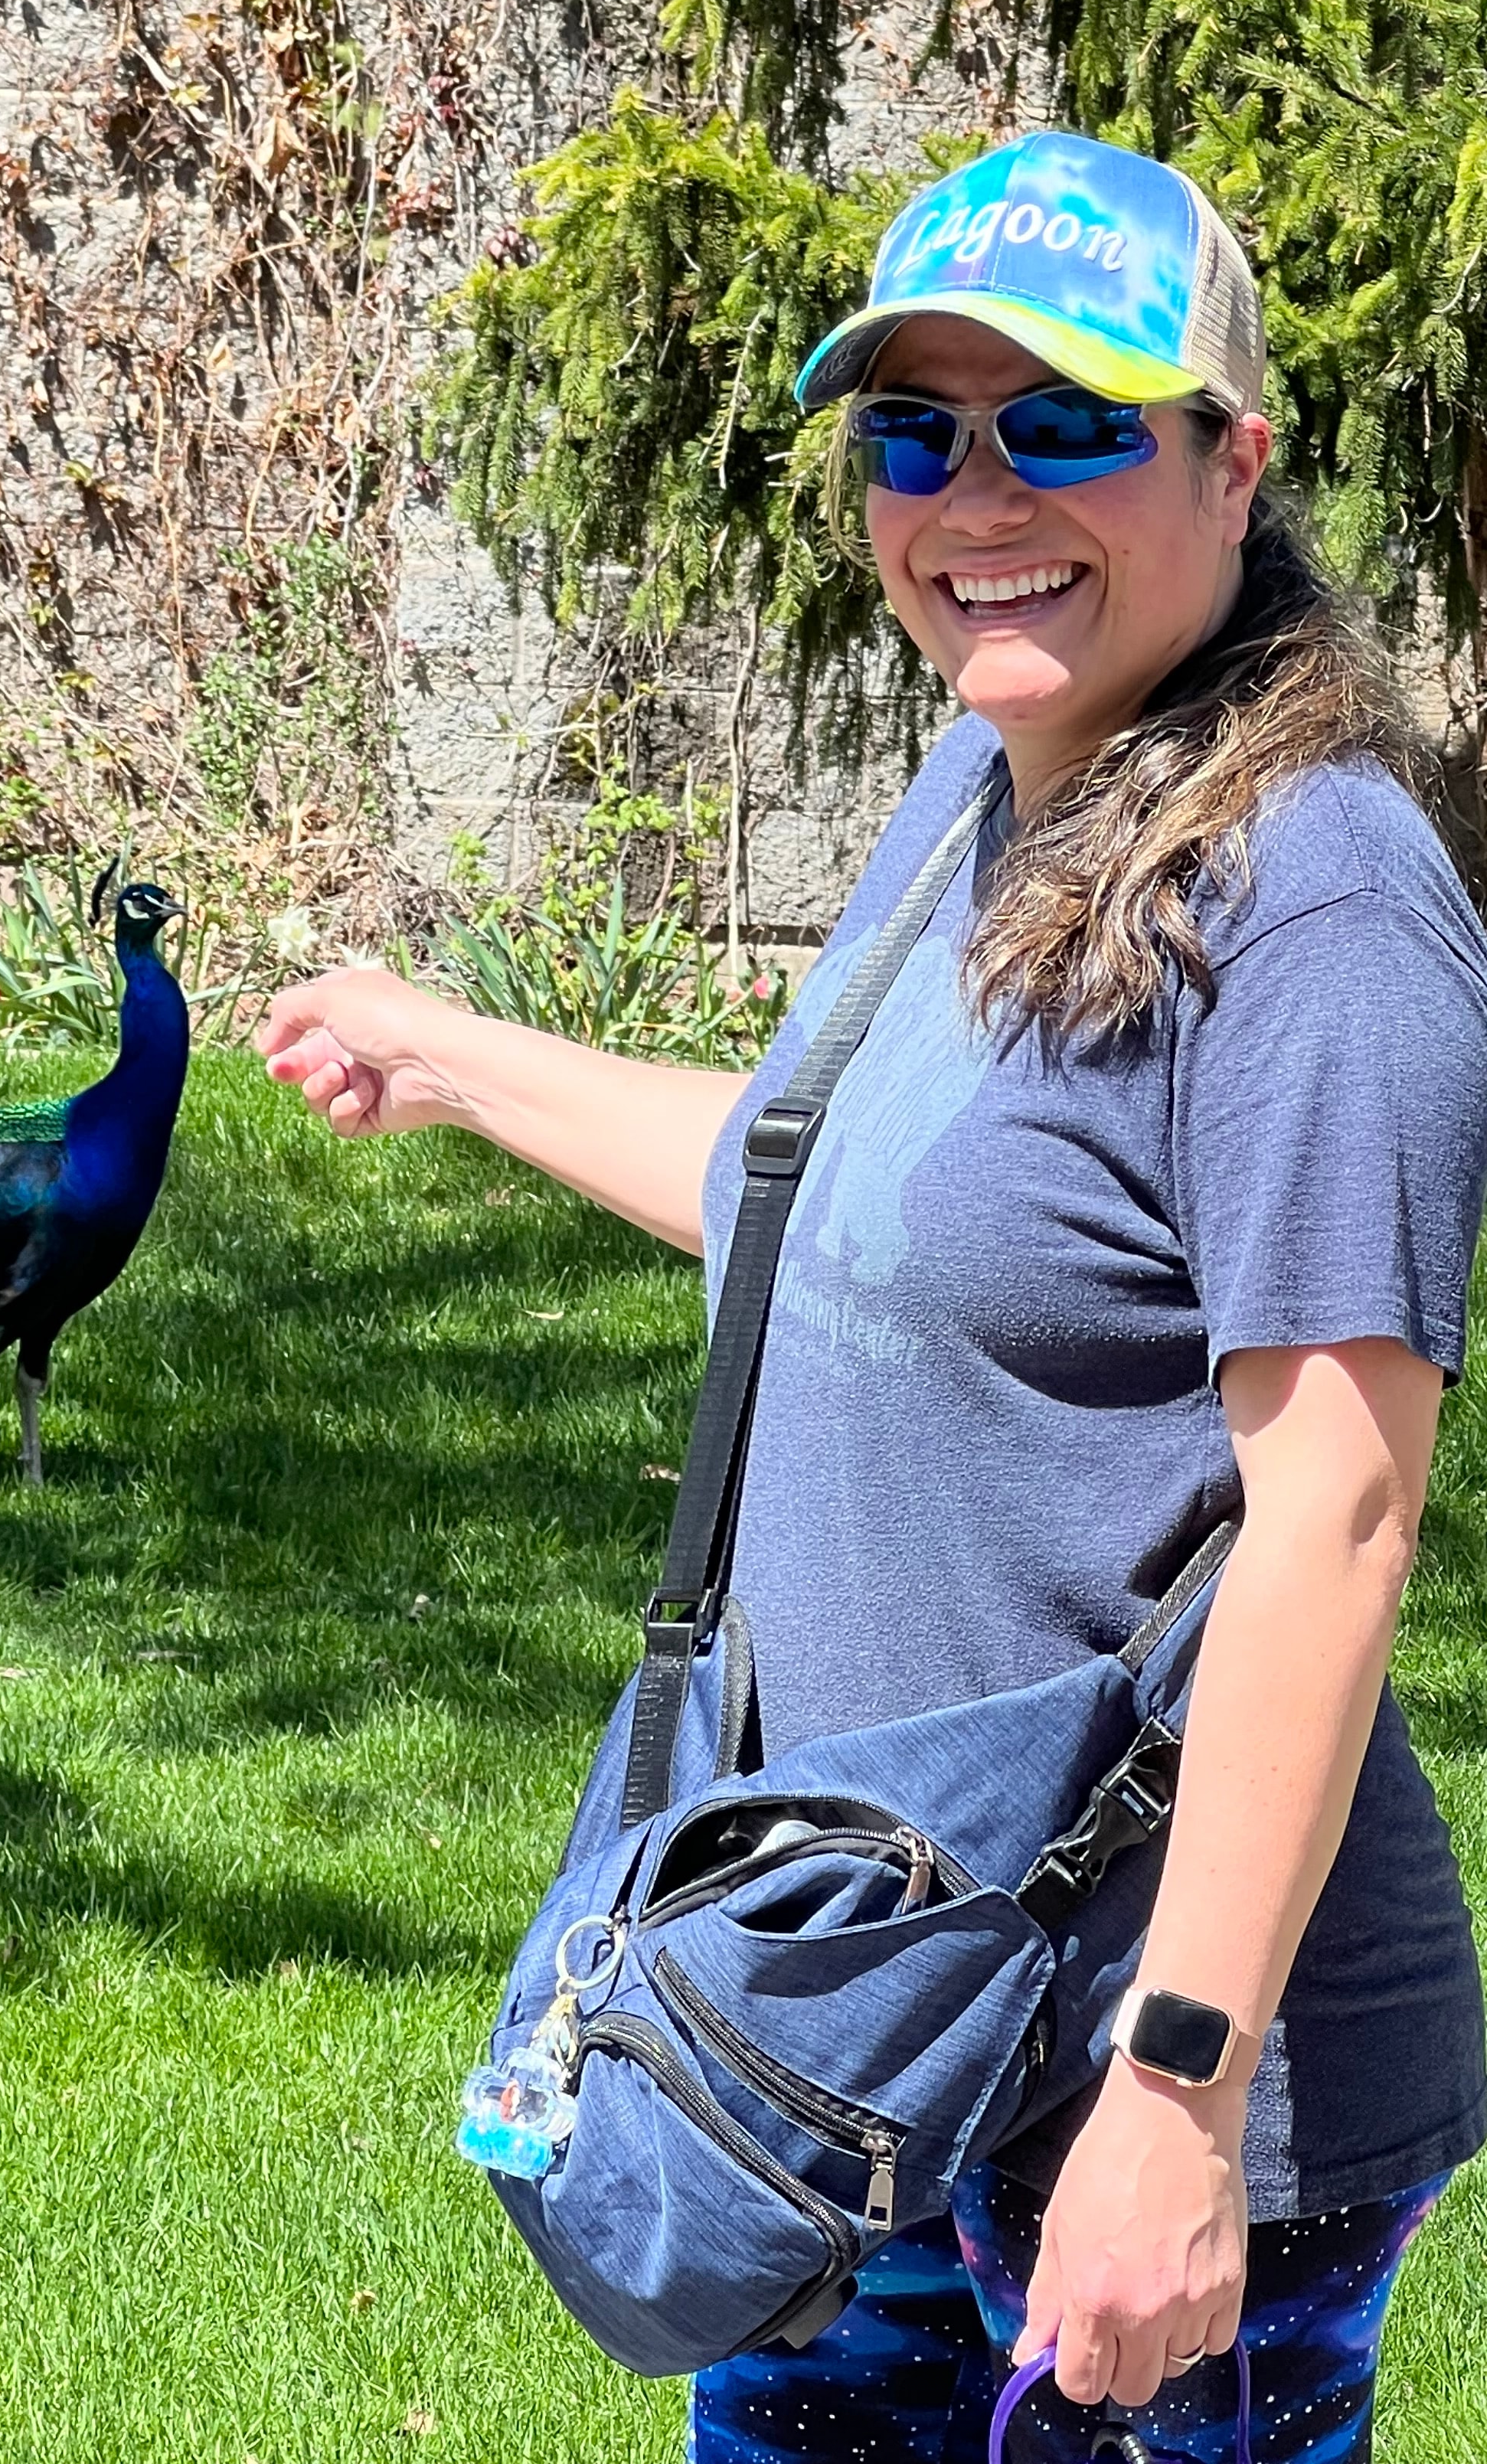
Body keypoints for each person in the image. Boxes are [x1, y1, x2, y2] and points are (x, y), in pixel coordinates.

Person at [257, 132, 1487, 2462]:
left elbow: (1335, 1525)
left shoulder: (1312, 902)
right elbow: (818, 1193)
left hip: (1139, 2054)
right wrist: (450, 1054)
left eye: (1063, 425)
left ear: (1231, 462)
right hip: (875, 2014)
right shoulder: (999, 784)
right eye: (914, 433)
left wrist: (1183, 2110)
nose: (973, 494)